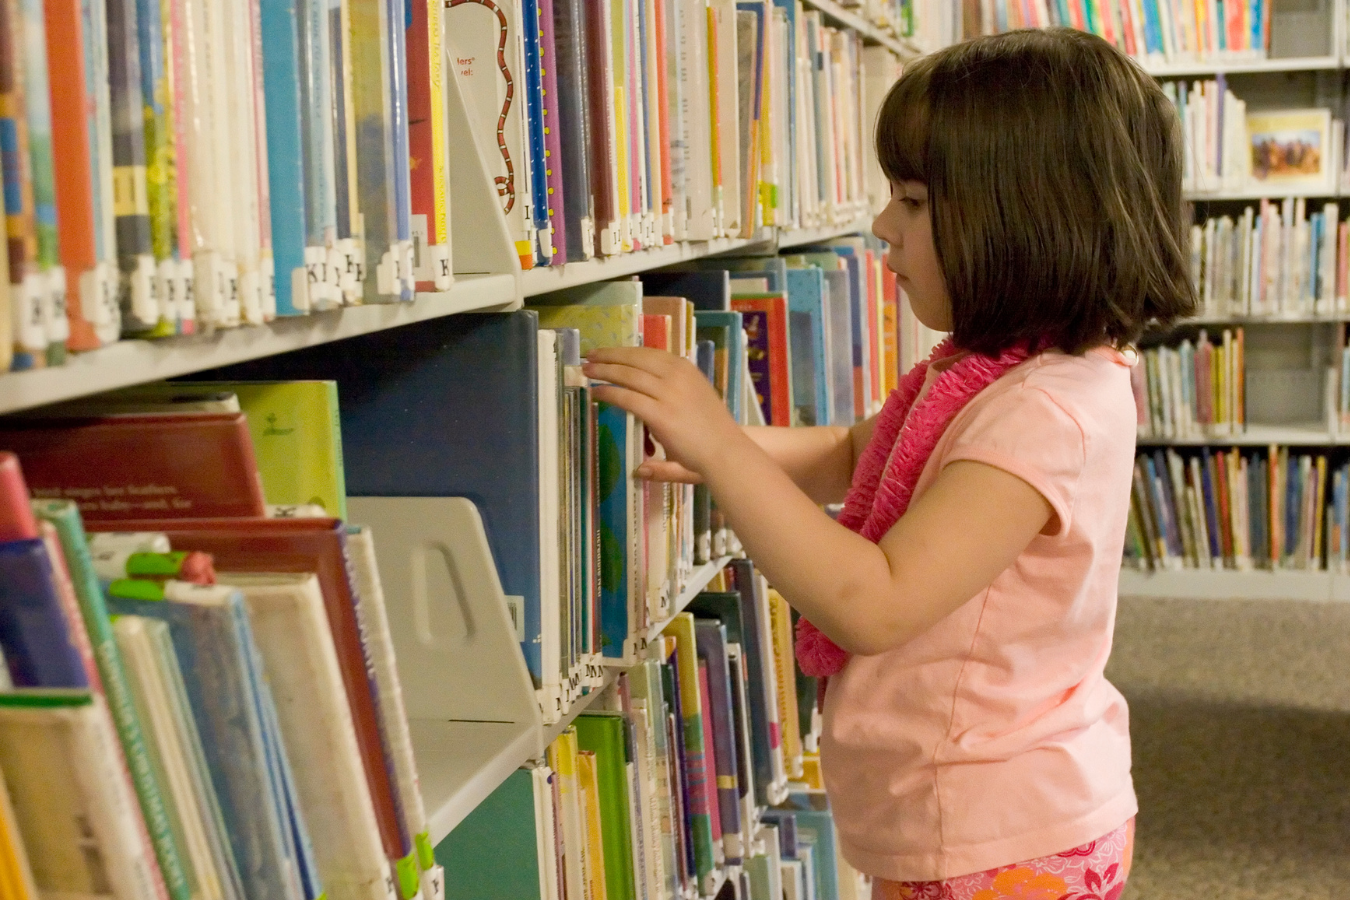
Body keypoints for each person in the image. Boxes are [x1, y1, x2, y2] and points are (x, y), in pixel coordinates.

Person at [582, 27, 1195, 900]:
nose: (882, 226)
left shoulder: (1044, 413)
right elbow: (852, 455)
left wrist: (721, 445)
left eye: (912, 200)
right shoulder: (997, 375)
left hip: (995, 835)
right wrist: (708, 450)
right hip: (957, 819)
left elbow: (876, 602)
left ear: (1026, 217)